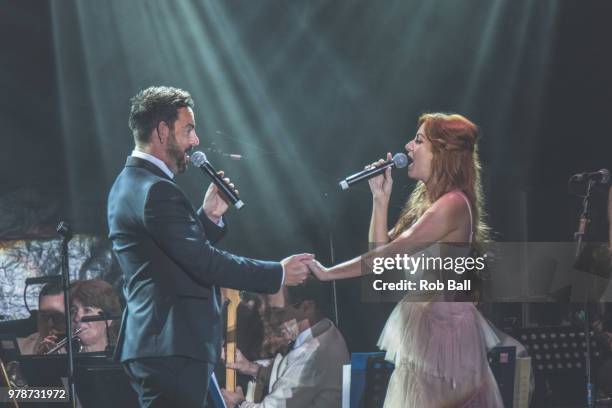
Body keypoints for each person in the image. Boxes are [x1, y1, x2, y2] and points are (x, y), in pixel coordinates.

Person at [107, 86, 312, 408]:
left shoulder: (132, 183)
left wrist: (209, 217)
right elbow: (202, 262)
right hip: (171, 345)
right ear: (162, 131)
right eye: (188, 129)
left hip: (162, 344)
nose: (196, 141)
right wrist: (278, 273)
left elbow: (169, 260)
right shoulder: (156, 190)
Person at [308, 113, 504, 407]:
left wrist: (327, 273)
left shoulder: (453, 205)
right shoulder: (433, 203)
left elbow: (385, 255)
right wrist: (379, 198)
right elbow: (382, 254)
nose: (408, 146)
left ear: (442, 153)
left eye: (419, 140)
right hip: (426, 331)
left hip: (444, 337)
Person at [221, 279, 349, 407]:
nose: (272, 320)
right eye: (271, 313)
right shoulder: (327, 329)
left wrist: (238, 403)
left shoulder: (313, 353)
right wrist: (250, 367)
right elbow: (294, 376)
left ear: (307, 307)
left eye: (279, 312)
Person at [70, 279, 122, 353]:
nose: (76, 318)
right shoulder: (67, 359)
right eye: (73, 311)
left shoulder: (124, 359)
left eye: (87, 310)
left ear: (107, 319)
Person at [17, 282, 65, 355]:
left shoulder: (83, 347)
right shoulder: (19, 349)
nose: (50, 324)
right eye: (44, 316)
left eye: (57, 316)